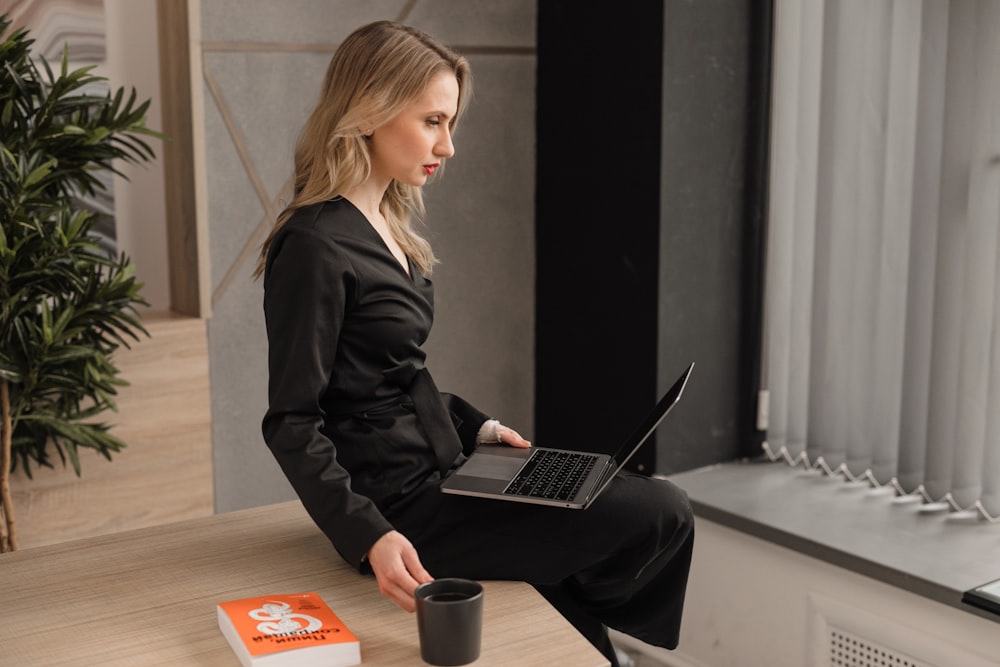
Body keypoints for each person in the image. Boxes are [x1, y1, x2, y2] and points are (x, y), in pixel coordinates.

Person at [255, 20, 694, 667]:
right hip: (403, 506)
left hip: (448, 467)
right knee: (661, 510)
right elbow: (292, 422)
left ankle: (576, 611)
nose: (449, 146)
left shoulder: (386, 226)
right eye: (433, 121)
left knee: (611, 494)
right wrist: (369, 536)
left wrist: (477, 426)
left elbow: (393, 379)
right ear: (370, 107)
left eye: (450, 123)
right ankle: (579, 604)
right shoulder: (315, 246)